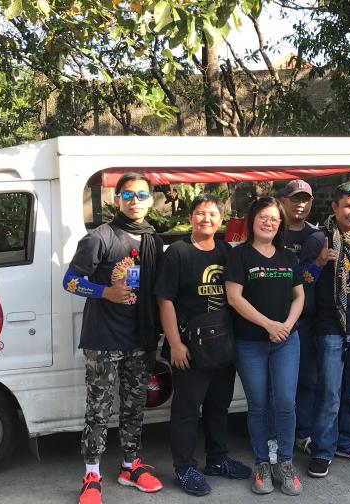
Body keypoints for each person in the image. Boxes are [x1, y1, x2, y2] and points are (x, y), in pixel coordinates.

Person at [63, 173, 164, 504]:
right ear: (117, 198)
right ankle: (92, 474)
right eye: (128, 195)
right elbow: (70, 281)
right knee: (99, 409)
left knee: (135, 406)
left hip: (141, 338)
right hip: (104, 339)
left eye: (141, 195)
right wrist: (105, 291)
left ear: (151, 200)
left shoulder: (153, 239)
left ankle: (129, 466)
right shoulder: (99, 238)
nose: (135, 201)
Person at [155, 194, 251, 496]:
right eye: (199, 213)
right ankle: (184, 468)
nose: (205, 218)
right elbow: (165, 299)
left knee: (218, 406)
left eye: (212, 214)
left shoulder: (226, 251)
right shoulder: (177, 253)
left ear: (220, 220)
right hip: (190, 348)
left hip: (223, 345)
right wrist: (175, 343)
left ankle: (217, 459)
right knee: (186, 411)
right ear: (191, 217)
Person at [225, 196, 305, 496]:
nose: (268, 222)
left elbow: (299, 296)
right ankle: (262, 463)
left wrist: (285, 325)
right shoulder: (240, 256)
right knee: (258, 405)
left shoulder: (288, 257)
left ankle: (284, 462)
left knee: (285, 402)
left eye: (274, 218)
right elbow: (235, 298)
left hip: (286, 342)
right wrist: (269, 325)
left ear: (280, 223)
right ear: (252, 220)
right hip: (251, 343)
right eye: (263, 217)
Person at [300, 181, 350, 478]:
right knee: (329, 393)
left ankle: (349, 441)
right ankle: (322, 450)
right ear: (334, 207)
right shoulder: (318, 239)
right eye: (348, 206)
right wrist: (319, 262)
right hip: (330, 328)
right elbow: (302, 281)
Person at [279, 180, 321, 455]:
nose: (300, 204)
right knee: (279, 385)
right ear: (283, 200)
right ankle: (277, 435)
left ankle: (302, 433)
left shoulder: (318, 237)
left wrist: (314, 269)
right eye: (295, 199)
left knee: (307, 380)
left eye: (305, 199)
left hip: (307, 321)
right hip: (273, 322)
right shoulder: (271, 230)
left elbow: (308, 283)